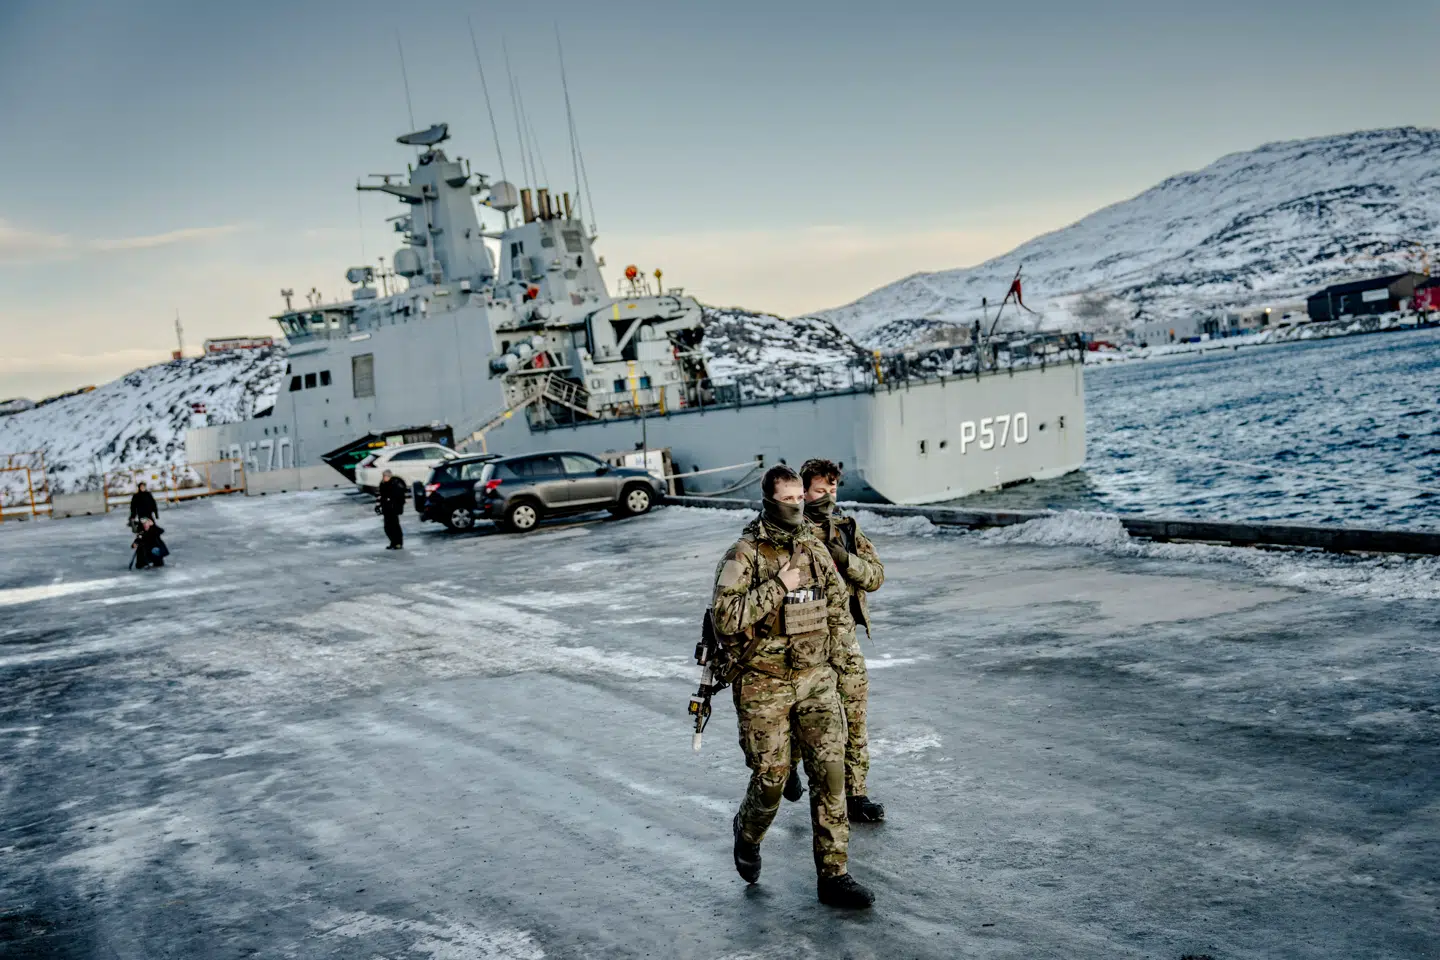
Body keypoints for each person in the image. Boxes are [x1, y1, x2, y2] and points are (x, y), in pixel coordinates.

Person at [711, 464, 874, 909]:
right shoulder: (743, 554)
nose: (798, 506)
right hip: (764, 685)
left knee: (831, 775)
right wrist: (779, 586)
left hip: (816, 680)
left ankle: (834, 876)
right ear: (769, 502)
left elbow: (838, 611)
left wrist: (843, 671)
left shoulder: (815, 549)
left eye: (801, 498)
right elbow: (726, 617)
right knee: (770, 780)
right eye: (789, 500)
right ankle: (747, 833)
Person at [784, 459, 888, 822]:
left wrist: (847, 561)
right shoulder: (788, 531)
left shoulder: (846, 528)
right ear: (802, 493)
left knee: (855, 718)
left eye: (833, 490)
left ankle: (856, 794)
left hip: (844, 641)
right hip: (803, 642)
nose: (827, 498)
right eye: (819, 491)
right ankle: (788, 768)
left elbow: (876, 576)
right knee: (804, 717)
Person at [376, 469, 408, 549]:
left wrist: (396, 506)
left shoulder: (395, 484)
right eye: (384, 476)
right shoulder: (383, 484)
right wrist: (378, 505)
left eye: (386, 476)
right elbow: (381, 495)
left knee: (395, 526)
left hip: (393, 508)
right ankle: (393, 542)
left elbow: (399, 497)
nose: (384, 478)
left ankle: (398, 543)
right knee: (387, 527)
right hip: (386, 508)